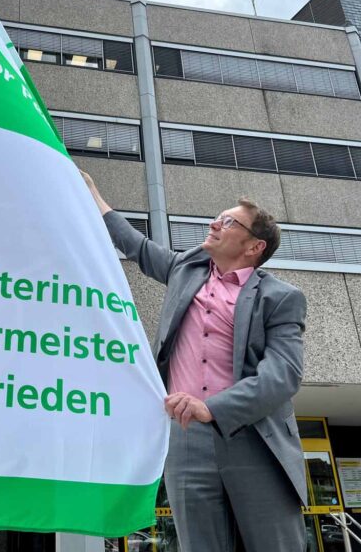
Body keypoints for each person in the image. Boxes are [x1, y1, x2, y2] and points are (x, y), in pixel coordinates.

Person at [81, 170, 308, 552]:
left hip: (253, 439)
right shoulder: (185, 269)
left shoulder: (281, 297)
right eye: (218, 217)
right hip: (185, 440)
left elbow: (282, 375)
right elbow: (137, 247)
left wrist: (212, 408)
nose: (214, 223)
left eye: (229, 221)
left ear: (254, 246)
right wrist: (94, 197)